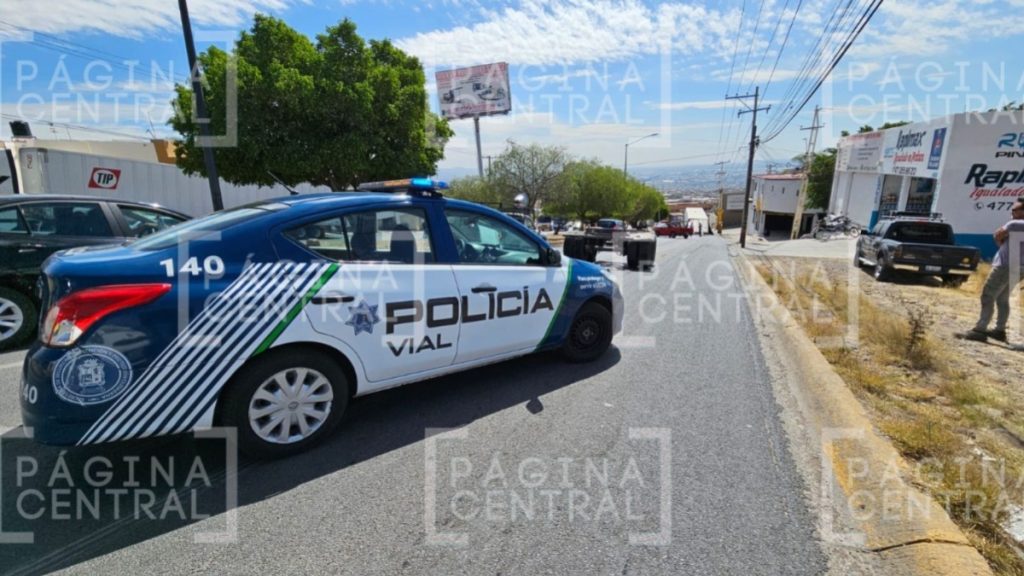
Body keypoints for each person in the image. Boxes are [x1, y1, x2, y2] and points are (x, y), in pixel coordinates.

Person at [959, 201, 1024, 342]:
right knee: (1002, 298)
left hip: (1005, 266)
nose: (1011, 212)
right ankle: (999, 330)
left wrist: (1002, 239)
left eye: (1014, 209)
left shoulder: (1015, 224)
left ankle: (980, 330)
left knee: (988, 295)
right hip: (1019, 267)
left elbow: (998, 235)